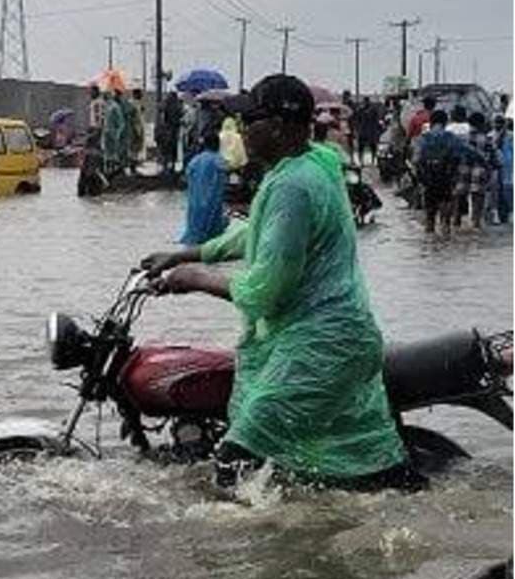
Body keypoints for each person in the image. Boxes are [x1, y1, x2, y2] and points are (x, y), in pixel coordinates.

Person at [142, 74, 414, 491]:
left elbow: (265, 290)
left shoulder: (293, 185)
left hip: (318, 347)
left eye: (250, 121)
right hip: (333, 339)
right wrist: (186, 254)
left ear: (280, 126)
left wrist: (195, 279)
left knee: (237, 460)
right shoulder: (315, 161)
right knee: (351, 465)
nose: (241, 131)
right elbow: (260, 233)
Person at [414, 109, 464, 236]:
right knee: (446, 220)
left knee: (429, 220)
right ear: (445, 122)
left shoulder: (422, 138)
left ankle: (431, 242)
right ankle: (445, 239)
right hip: (446, 178)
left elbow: (416, 160)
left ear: (431, 122)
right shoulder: (452, 138)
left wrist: (421, 178)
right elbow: (459, 157)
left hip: (428, 179)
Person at [179, 128, 228, 245]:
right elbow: (222, 183)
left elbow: (187, 177)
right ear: (218, 145)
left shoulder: (195, 161)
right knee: (213, 233)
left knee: (194, 228)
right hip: (213, 202)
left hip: (195, 201)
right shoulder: (219, 161)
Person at [101, 90, 127, 176]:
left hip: (113, 134)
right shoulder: (106, 106)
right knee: (106, 154)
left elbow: (121, 123)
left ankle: (114, 171)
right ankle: (107, 171)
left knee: (114, 154)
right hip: (106, 133)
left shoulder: (115, 107)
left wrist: (117, 133)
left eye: (106, 94)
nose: (104, 96)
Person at [124, 89, 146, 174]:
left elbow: (139, 116)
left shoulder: (138, 103)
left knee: (136, 149)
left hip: (139, 129)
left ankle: (134, 167)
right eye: (140, 94)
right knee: (132, 149)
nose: (141, 96)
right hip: (133, 130)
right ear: (135, 94)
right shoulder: (131, 103)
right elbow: (130, 116)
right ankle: (132, 167)